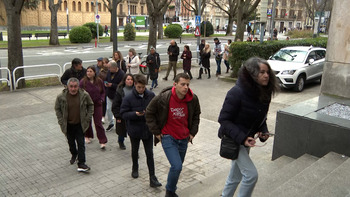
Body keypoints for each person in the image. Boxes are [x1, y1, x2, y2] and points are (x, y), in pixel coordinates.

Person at [218, 57, 279, 197]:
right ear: (252, 74)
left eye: (268, 72)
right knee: (251, 175)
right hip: (234, 139)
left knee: (235, 177)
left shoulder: (264, 93)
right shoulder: (236, 92)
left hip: (246, 139)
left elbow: (260, 117)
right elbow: (224, 120)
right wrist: (243, 138)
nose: (266, 75)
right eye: (262, 72)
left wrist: (263, 131)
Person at [146, 73, 201, 197]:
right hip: (168, 137)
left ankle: (171, 190)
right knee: (176, 166)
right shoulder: (163, 97)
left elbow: (197, 115)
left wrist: (193, 132)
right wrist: (157, 133)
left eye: (187, 84)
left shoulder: (193, 99)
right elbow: (149, 113)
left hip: (184, 138)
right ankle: (169, 192)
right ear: (175, 85)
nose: (185, 87)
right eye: (182, 84)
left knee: (178, 168)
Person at [120, 74, 162, 188]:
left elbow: (156, 110)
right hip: (134, 130)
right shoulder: (128, 97)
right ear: (135, 85)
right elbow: (123, 113)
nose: (141, 89)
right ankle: (135, 168)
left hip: (147, 129)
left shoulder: (150, 95)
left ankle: (152, 177)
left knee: (150, 154)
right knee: (135, 151)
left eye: (143, 87)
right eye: (139, 87)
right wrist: (135, 114)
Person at [54, 77, 94, 172]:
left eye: (75, 86)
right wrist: (61, 121)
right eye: (71, 86)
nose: (73, 89)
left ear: (78, 86)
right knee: (71, 143)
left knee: (81, 144)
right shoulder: (61, 97)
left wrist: (87, 118)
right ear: (67, 86)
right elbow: (57, 108)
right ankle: (74, 153)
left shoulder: (84, 95)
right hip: (68, 125)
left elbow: (91, 105)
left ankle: (81, 163)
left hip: (80, 124)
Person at [80, 66, 107, 149]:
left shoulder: (99, 81)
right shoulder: (83, 82)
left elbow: (103, 92)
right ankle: (87, 135)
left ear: (94, 72)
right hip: (87, 105)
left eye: (90, 71)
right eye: (87, 71)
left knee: (98, 123)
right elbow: (79, 93)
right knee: (87, 121)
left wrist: (102, 99)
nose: (88, 73)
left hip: (97, 104)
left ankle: (102, 141)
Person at [112, 74, 134, 150]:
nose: (130, 81)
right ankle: (121, 141)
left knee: (133, 132)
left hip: (133, 114)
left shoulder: (136, 89)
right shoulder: (120, 90)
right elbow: (116, 104)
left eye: (131, 79)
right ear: (124, 80)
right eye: (128, 79)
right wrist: (117, 115)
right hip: (122, 114)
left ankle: (134, 146)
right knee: (121, 131)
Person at [105, 61, 125, 132]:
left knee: (118, 109)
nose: (109, 70)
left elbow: (122, 85)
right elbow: (106, 79)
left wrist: (112, 85)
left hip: (117, 95)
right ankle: (111, 123)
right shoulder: (109, 72)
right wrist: (106, 83)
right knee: (108, 109)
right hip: (109, 93)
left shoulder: (121, 74)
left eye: (109, 68)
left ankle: (120, 122)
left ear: (114, 68)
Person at [100, 58, 109, 124]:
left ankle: (112, 116)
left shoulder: (111, 71)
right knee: (104, 103)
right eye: (103, 63)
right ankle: (103, 116)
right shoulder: (101, 72)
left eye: (106, 63)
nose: (105, 64)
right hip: (103, 88)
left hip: (110, 89)